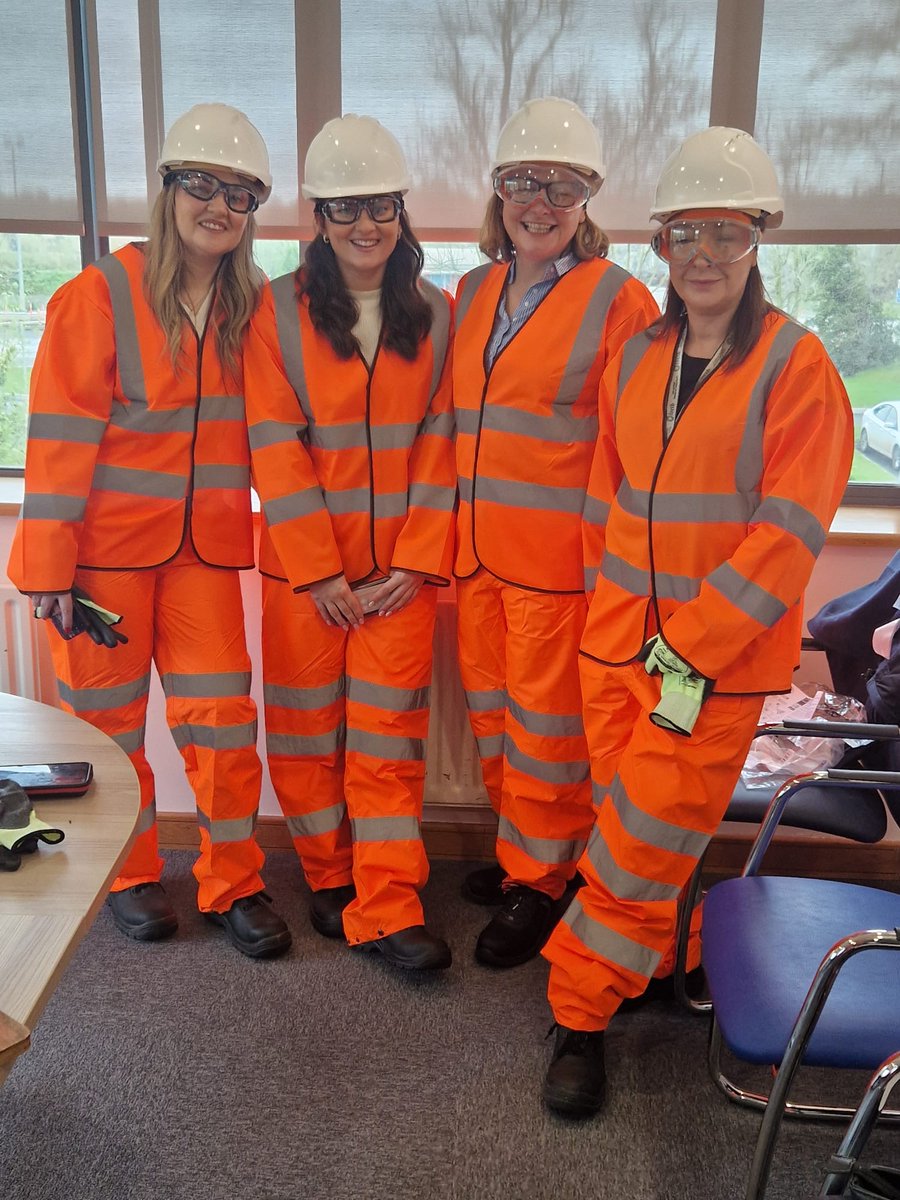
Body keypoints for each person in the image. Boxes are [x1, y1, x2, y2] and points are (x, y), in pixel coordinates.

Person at [540, 127, 854, 1117]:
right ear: (661, 246)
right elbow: (614, 491)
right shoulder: (640, 354)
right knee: (626, 823)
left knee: (639, 834)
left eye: (727, 231)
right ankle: (660, 962)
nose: (705, 253)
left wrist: (696, 642)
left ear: (758, 239)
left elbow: (786, 535)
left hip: (707, 669)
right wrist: (610, 612)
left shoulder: (798, 368)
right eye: (686, 233)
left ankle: (577, 1010)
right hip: (615, 643)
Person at [7, 103, 291, 959]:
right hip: (101, 565)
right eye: (202, 184)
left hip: (203, 555)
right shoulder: (97, 295)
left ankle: (233, 881)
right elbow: (56, 440)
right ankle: (126, 876)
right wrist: (48, 568)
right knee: (107, 729)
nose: (220, 206)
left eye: (240, 194)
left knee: (222, 723)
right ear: (166, 189)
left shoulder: (254, 307)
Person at [242, 115, 457, 971]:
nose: (364, 225)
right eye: (343, 209)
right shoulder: (274, 311)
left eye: (380, 207)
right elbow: (273, 442)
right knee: (303, 731)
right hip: (304, 576)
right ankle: (329, 875)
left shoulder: (437, 313)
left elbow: (444, 438)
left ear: (401, 213)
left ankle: (390, 902)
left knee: (388, 741)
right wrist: (317, 569)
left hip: (403, 576)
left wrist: (414, 559)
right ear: (318, 218)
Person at [452, 97, 659, 969]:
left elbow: (631, 448)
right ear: (498, 191)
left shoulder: (621, 299)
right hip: (473, 561)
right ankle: (519, 857)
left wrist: (605, 572)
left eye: (562, 186)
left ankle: (542, 879)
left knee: (546, 734)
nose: (539, 202)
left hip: (555, 571)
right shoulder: (472, 290)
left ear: (589, 198)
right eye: (522, 182)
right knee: (497, 725)